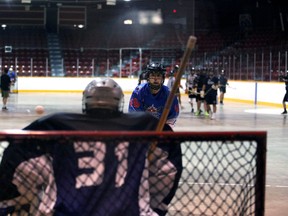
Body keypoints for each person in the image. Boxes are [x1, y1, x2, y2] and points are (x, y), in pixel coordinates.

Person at [0, 78, 182, 216]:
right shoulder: (147, 126)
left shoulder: (53, 125)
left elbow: (19, 166)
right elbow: (167, 173)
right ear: (118, 102)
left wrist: (15, 204)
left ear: (86, 101)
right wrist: (155, 207)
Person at [129, 62, 180, 127]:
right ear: (148, 77)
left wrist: (163, 127)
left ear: (163, 78)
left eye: (158, 75)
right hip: (143, 127)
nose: (155, 79)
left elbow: (173, 116)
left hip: (162, 128)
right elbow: (134, 113)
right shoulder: (139, 91)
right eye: (153, 75)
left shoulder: (169, 94)